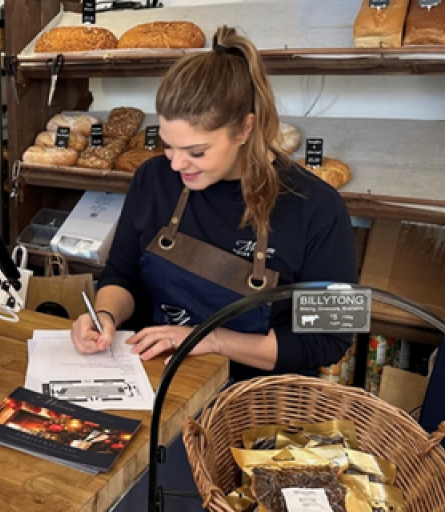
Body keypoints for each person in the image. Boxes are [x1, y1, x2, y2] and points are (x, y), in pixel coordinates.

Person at [70, 26, 358, 382]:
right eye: (168, 146)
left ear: (245, 129)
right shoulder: (153, 178)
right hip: (158, 382)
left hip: (257, 401)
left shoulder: (320, 207)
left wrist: (213, 340)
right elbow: (121, 275)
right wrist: (105, 316)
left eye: (196, 152)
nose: (176, 164)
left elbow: (332, 339)